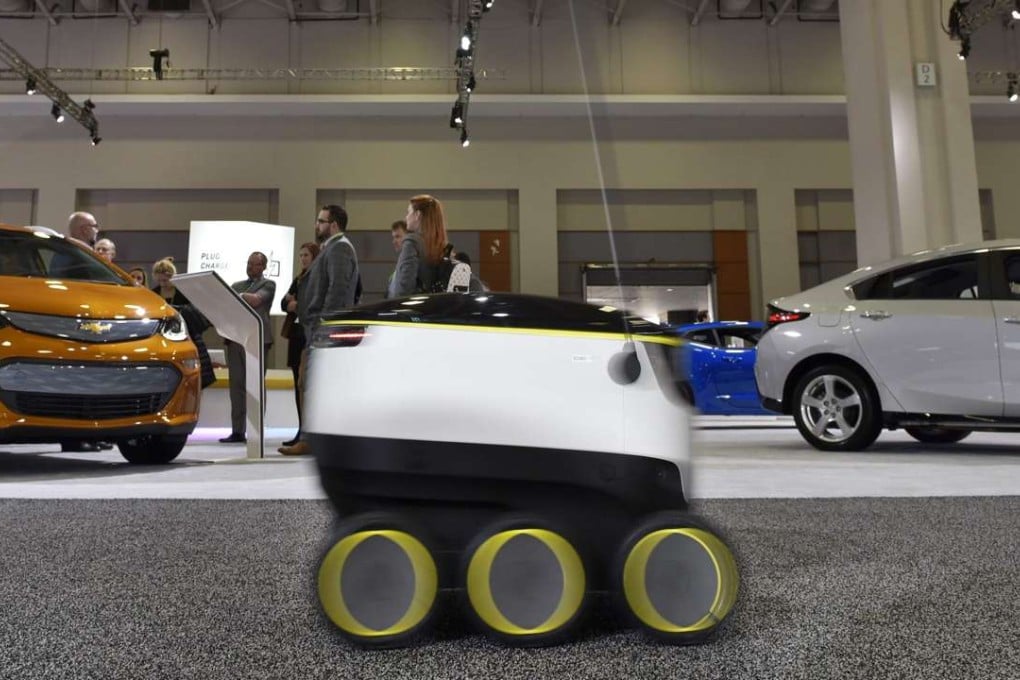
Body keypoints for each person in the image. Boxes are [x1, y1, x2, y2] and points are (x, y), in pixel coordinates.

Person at [279, 204, 359, 456]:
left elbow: (337, 290)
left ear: (333, 224)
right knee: (312, 386)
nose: (317, 225)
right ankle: (312, 440)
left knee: (318, 387)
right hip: (316, 328)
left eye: (321, 221)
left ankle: (314, 441)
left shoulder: (340, 248)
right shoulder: (331, 249)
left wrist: (323, 326)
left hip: (324, 330)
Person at [221, 251, 277, 444]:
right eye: (249, 263)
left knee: (255, 385)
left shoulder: (269, 284)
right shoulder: (238, 285)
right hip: (236, 339)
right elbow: (226, 304)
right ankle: (237, 430)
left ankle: (256, 430)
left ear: (263, 266)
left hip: (258, 339)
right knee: (236, 386)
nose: (250, 267)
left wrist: (234, 296)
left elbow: (255, 300)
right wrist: (235, 295)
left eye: (254, 264)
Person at [152, 257, 216, 392]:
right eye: (159, 280)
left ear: (172, 277)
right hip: (162, 338)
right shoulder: (153, 294)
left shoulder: (185, 292)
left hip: (189, 336)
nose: (162, 284)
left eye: (165, 280)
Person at [279, 242, 320, 448]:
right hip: (295, 335)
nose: (303, 259)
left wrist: (296, 304)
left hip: (308, 334)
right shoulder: (299, 278)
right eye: (301, 255)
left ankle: (310, 431)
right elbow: (283, 303)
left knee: (307, 384)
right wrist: (290, 303)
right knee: (297, 384)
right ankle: (301, 428)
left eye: (306, 255)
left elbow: (311, 304)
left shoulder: (316, 278)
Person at [387, 194, 448, 299]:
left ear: (417, 215)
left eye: (409, 212)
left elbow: (404, 287)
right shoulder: (441, 244)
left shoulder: (412, 243)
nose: (406, 217)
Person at [49, 212, 99, 278]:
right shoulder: (82, 257)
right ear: (85, 230)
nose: (97, 231)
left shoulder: (62, 252)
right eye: (95, 226)